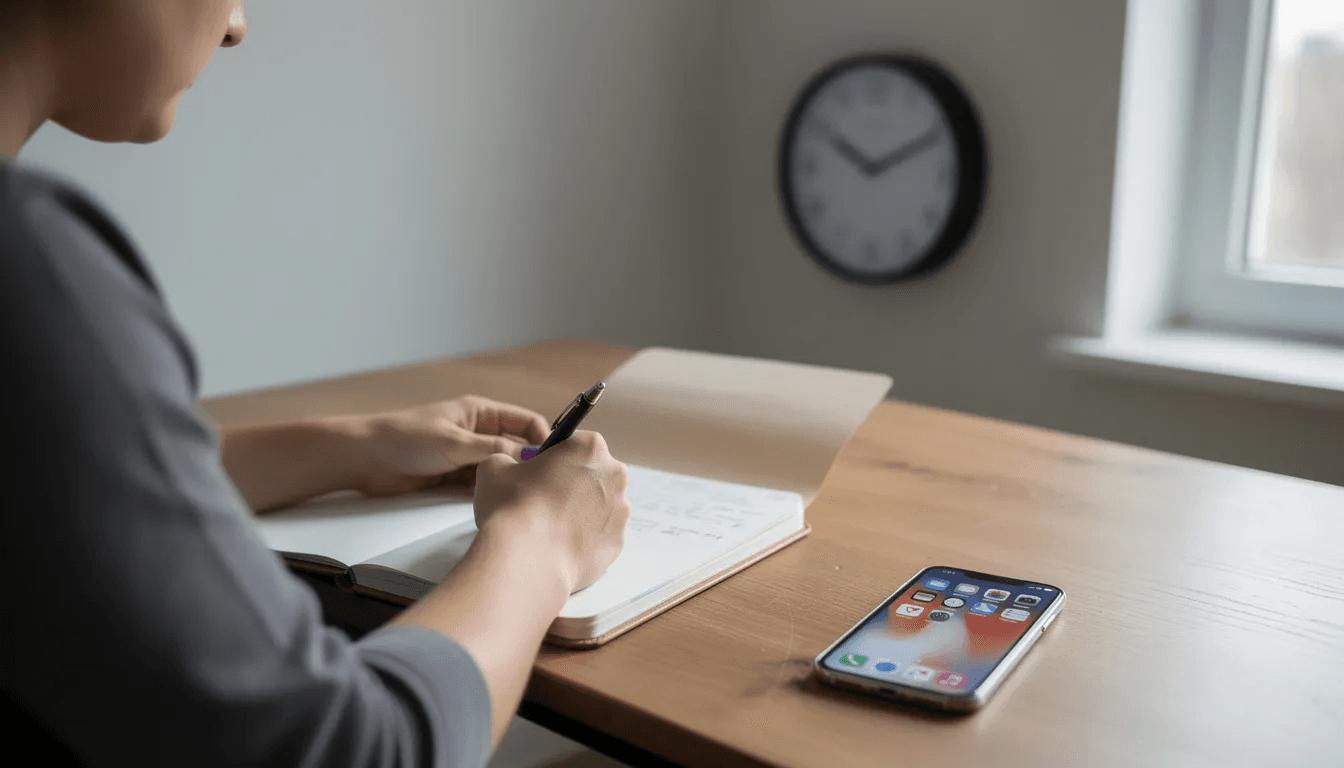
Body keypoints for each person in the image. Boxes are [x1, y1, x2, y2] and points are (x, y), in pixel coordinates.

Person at [0, 2, 632, 766]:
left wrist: (357, 448)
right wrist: (544, 544)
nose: (235, 25)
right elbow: (356, 749)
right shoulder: (28, 270)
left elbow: (52, 491)